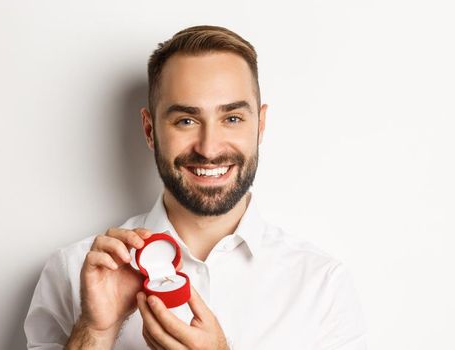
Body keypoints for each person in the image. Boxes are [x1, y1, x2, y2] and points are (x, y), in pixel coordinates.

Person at [24, 25, 368, 349]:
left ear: (260, 125)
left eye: (231, 118)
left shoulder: (322, 287)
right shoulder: (71, 273)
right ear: (149, 130)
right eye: (186, 120)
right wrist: (96, 333)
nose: (209, 147)